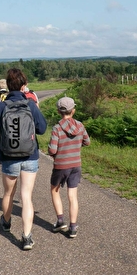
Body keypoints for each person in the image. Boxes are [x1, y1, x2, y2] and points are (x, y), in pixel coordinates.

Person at [0, 68, 47, 250]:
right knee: (26, 196)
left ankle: (6, 223)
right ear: (23, 86)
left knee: (8, 194)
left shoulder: (1, 107)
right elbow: (42, 129)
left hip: (8, 157)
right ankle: (27, 236)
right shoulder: (30, 105)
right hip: (30, 155)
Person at [48, 97, 90, 238]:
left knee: (55, 190)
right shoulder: (80, 126)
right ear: (74, 110)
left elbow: (52, 150)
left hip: (61, 165)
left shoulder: (57, 128)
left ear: (58, 111)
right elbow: (87, 142)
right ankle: (72, 227)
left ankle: (60, 220)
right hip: (76, 165)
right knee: (73, 195)